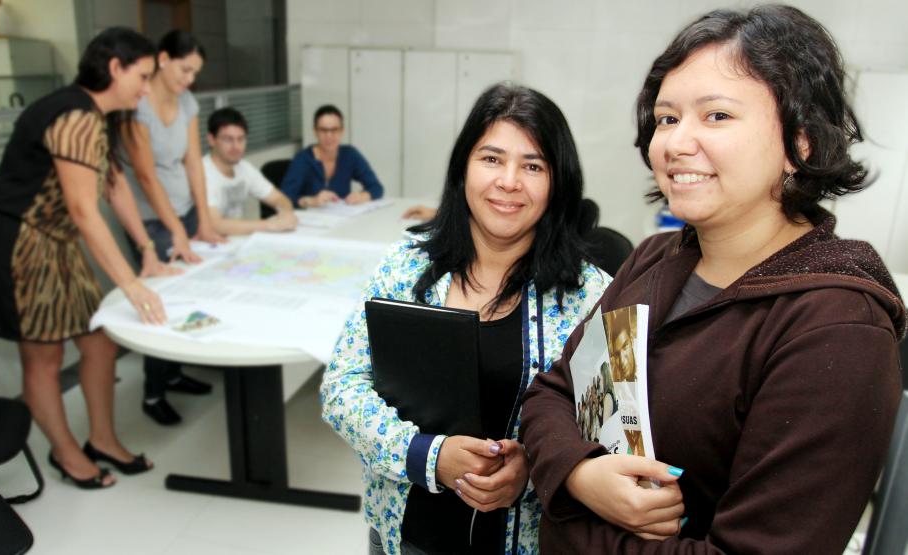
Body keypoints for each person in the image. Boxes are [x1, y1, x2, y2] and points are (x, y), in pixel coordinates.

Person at [520, 6, 905, 554]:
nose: (675, 143)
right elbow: (556, 393)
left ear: (801, 144)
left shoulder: (837, 328)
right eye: (667, 118)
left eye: (717, 115)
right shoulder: (655, 259)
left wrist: (564, 520)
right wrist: (581, 475)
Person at [321, 83, 611, 554]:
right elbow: (342, 387)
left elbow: (607, 434)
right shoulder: (406, 266)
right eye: (492, 159)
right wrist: (428, 456)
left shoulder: (589, 295)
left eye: (533, 166)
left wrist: (535, 469)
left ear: (558, 183)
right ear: (463, 168)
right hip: (405, 535)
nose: (509, 182)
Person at [0, 27, 177, 489]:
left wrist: (148, 251)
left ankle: (102, 439)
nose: (147, 88)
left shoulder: (99, 116)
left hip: (58, 241)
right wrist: (131, 285)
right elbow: (83, 209)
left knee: (98, 341)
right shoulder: (73, 114)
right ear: (115, 68)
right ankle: (67, 453)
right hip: (22, 244)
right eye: (143, 76)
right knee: (44, 357)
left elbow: (113, 185)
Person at [122, 29, 220, 425]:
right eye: (184, 69)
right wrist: (175, 229)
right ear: (162, 59)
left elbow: (193, 162)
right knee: (165, 298)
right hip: (152, 220)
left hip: (185, 210)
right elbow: (145, 175)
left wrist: (203, 220)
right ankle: (153, 392)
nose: (189, 79)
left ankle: (175, 372)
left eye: (195, 72)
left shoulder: (187, 101)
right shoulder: (139, 105)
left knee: (197, 290)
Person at [203, 107, 298, 235]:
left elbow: (280, 199)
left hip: (236, 240)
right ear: (211, 140)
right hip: (208, 243)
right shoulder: (201, 172)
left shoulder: (244, 168)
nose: (236, 146)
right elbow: (215, 225)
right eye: (228, 139)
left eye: (241, 139)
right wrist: (271, 225)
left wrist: (284, 213)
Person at [280, 104, 384, 207]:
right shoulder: (303, 159)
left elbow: (376, 187)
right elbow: (284, 198)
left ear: (342, 131)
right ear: (315, 132)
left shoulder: (350, 155)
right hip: (310, 215)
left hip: (341, 215)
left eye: (334, 130)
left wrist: (363, 196)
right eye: (323, 130)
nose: (329, 136)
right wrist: (311, 201)